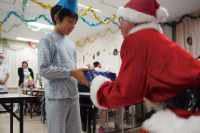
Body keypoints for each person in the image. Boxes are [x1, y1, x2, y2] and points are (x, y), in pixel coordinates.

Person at [89, 0, 200, 133]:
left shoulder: (135, 40)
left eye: (121, 19)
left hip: (188, 115)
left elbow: (127, 92)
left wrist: (99, 90)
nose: (119, 26)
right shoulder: (155, 39)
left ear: (133, 19)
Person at [38, 0, 88, 133]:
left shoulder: (71, 44)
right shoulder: (47, 39)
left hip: (73, 96)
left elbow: (73, 70)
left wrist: (82, 77)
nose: (73, 26)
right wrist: (72, 73)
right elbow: (43, 69)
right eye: (70, 21)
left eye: (75, 23)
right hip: (56, 98)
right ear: (57, 18)